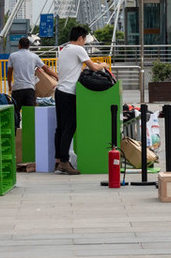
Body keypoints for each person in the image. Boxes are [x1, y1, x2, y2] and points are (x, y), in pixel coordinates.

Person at [54, 25, 114, 175]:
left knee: (60, 128)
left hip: (59, 91)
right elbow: (93, 67)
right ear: (80, 38)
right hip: (68, 92)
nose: (85, 43)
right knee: (70, 127)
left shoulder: (64, 50)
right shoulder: (78, 49)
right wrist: (104, 65)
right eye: (85, 39)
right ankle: (64, 162)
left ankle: (58, 161)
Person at [8, 37, 55, 128]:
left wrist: (10, 86)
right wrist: (56, 76)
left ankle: (16, 132)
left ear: (19, 45)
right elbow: (46, 68)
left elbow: (9, 72)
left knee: (15, 113)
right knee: (30, 114)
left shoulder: (13, 56)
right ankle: (29, 132)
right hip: (30, 89)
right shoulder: (34, 57)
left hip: (17, 89)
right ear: (29, 46)